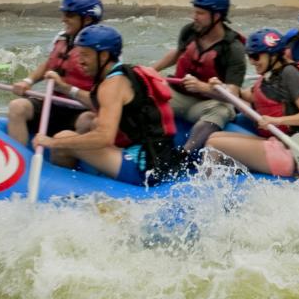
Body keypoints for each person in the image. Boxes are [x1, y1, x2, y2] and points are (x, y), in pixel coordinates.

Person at [35, 25, 189, 187]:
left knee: (62, 138)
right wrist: (66, 88)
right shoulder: (127, 73)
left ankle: (60, 189)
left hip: (144, 169)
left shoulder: (111, 85)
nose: (80, 61)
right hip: (162, 158)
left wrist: (51, 143)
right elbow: (100, 102)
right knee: (88, 119)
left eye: (85, 55)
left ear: (104, 56)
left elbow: (103, 137)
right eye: (79, 54)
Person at [206, 28, 299, 177]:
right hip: (276, 142)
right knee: (213, 137)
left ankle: (208, 189)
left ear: (273, 55)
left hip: (292, 153)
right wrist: (221, 86)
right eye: (250, 57)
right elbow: (247, 95)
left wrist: (276, 120)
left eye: (256, 56)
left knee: (214, 145)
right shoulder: (269, 76)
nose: (252, 62)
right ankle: (220, 180)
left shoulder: (290, 73)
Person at [151, 0, 247, 152]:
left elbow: (233, 94)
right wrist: (151, 70)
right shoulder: (190, 31)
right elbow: (178, 53)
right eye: (194, 12)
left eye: (200, 13)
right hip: (177, 95)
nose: (194, 17)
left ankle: (185, 154)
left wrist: (202, 87)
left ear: (216, 17)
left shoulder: (233, 48)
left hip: (206, 104)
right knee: (145, 91)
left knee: (222, 109)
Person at [7, 0, 103, 147]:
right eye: (64, 13)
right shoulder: (61, 37)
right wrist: (28, 81)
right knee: (17, 106)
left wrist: (65, 88)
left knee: (88, 121)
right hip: (53, 104)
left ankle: (68, 165)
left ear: (87, 19)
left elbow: (104, 99)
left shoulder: (103, 50)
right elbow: (50, 63)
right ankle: (18, 161)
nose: (63, 19)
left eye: (70, 15)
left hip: (81, 110)